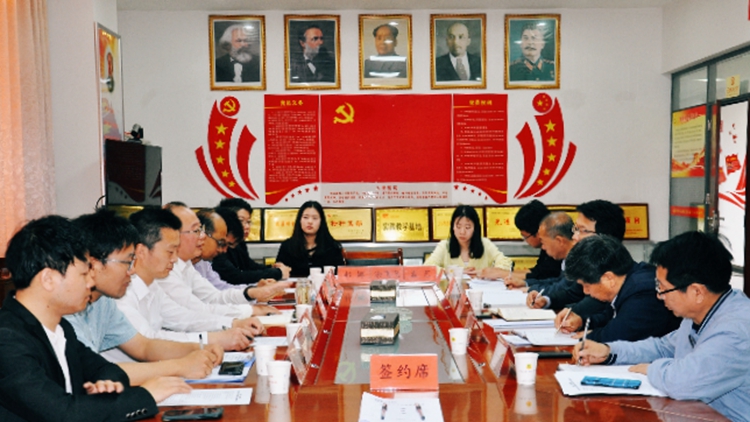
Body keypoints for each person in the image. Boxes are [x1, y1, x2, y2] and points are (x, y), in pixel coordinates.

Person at [0, 215, 190, 421]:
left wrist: (105, 383)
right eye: (83, 274)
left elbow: (106, 369)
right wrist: (146, 395)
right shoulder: (7, 340)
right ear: (48, 279)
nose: (91, 282)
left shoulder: (61, 327)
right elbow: (64, 414)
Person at [574, 232, 750, 422]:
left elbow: (683, 382)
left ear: (697, 292)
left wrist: (652, 369)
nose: (659, 295)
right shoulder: (698, 314)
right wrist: (609, 352)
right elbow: (662, 347)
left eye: (663, 288)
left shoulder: (735, 330)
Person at [66, 209, 223, 383]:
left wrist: (199, 348)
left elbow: (144, 346)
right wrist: (180, 366)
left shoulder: (103, 302)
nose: (132, 270)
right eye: (127, 262)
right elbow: (94, 373)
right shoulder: (66, 310)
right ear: (94, 263)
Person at [116, 207, 258, 351]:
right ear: (141, 251)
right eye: (170, 252)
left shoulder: (152, 285)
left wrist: (232, 323)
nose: (174, 259)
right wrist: (214, 339)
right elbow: (149, 341)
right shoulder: (121, 293)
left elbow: (182, 318)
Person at [156, 202, 278, 319]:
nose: (202, 236)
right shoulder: (162, 267)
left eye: (201, 230)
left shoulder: (186, 264)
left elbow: (214, 297)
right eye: (196, 230)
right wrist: (248, 311)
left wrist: (250, 293)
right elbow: (194, 311)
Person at [557, 235, 680, 342]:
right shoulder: (628, 283)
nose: (585, 291)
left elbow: (619, 335)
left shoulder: (643, 292)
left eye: (587, 286)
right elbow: (611, 317)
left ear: (608, 278)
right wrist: (582, 322)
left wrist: (589, 336)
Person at [194, 209, 290, 302]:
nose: (223, 250)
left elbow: (220, 289)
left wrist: (255, 289)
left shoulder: (202, 263)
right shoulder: (189, 263)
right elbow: (209, 301)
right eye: (221, 243)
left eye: (249, 222)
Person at [212, 198, 290, 285]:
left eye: (248, 222)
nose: (246, 226)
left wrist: (273, 268)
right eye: (241, 221)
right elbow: (235, 276)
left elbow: (250, 266)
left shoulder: (239, 243)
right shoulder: (216, 246)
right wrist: (277, 273)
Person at [425, 205, 512, 277]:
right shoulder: (444, 246)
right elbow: (427, 268)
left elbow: (505, 262)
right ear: (452, 227)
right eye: (458, 227)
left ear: (475, 228)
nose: (462, 232)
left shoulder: (485, 244)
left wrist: (487, 272)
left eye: (467, 227)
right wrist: (454, 271)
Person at [499, 200, 562, 287]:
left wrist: (501, 274)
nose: (543, 247)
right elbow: (538, 271)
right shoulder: (547, 245)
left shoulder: (556, 248)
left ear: (538, 232)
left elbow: (544, 276)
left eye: (525, 236)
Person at [276, 201, 344, 277]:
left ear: (321, 222)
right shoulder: (287, 246)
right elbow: (279, 274)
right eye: (305, 217)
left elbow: (340, 275)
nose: (310, 222)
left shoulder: (332, 247)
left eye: (315, 218)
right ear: (299, 220)